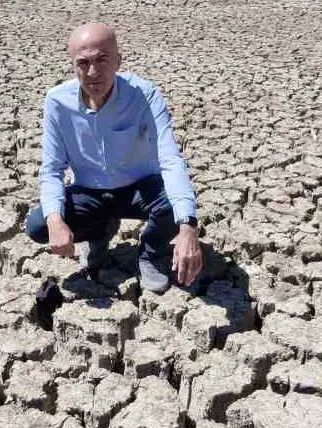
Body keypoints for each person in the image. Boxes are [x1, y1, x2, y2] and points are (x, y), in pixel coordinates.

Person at [24, 22, 203, 293]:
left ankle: (150, 254)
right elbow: (51, 170)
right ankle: (99, 235)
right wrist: (55, 221)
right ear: (73, 66)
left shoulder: (144, 95)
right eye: (83, 63)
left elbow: (170, 159)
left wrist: (188, 226)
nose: (93, 72)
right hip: (91, 191)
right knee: (39, 225)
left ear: (118, 62)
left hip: (139, 189)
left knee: (174, 203)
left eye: (102, 60)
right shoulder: (58, 102)